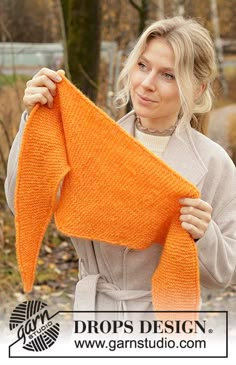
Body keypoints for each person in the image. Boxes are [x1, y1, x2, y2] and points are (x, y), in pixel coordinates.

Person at [4, 16, 236, 321]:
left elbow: (225, 273)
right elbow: (21, 202)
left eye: (167, 75)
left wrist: (205, 236)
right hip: (94, 321)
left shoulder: (214, 162)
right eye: (142, 66)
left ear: (196, 89)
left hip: (163, 328)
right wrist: (32, 122)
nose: (147, 83)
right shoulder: (93, 145)